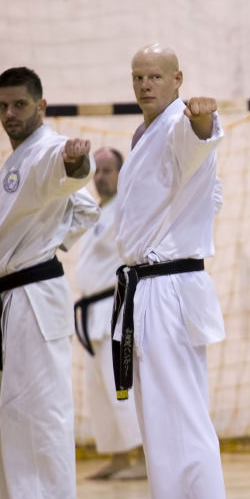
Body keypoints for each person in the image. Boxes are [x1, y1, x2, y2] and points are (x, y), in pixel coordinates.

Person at [111, 44, 231, 499]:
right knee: (156, 417)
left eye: (156, 76)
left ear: (178, 79)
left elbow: (199, 138)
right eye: (138, 77)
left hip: (170, 287)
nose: (145, 85)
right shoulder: (143, 135)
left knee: (182, 410)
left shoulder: (183, 122)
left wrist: (202, 119)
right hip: (145, 287)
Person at [0, 66, 97, 499]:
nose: (10, 114)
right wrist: (52, 235)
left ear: (41, 105)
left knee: (43, 406)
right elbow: (85, 209)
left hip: (34, 292)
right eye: (3, 105)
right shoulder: (17, 157)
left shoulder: (50, 149)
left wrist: (75, 163)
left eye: (20, 105)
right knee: (10, 410)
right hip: (10, 296)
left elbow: (72, 175)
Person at [72, 147, 145, 481]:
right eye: (96, 171)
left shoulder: (127, 207)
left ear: (122, 173)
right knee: (98, 390)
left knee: (122, 385)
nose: (100, 178)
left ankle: (143, 457)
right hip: (91, 313)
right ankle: (118, 456)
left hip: (114, 307)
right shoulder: (96, 211)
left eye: (107, 171)